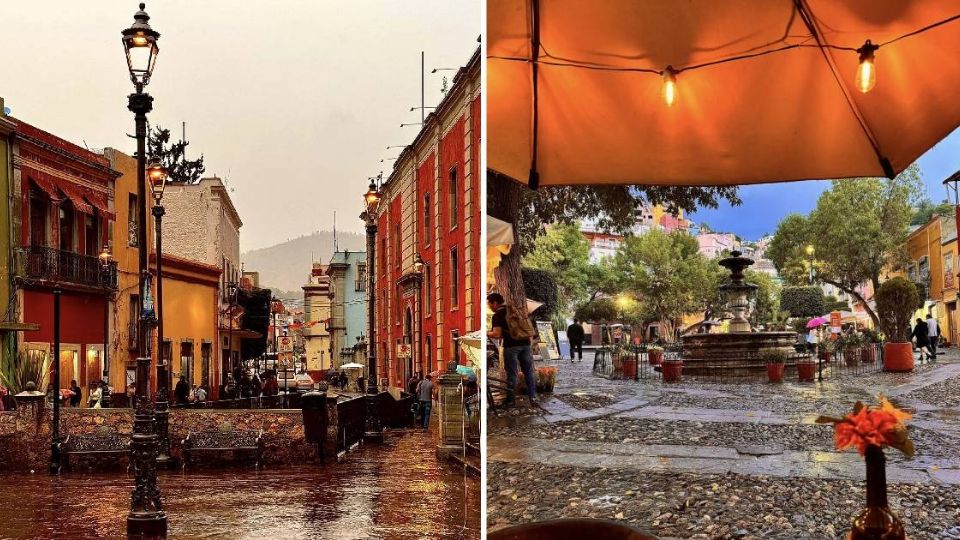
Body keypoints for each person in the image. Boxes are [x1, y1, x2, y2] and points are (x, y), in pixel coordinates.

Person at [487, 292, 537, 406]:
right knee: (528, 372)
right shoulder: (515, 310)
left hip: (511, 346)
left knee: (512, 374)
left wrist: (485, 333)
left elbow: (496, 334)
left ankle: (510, 400)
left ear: (495, 303)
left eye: (489, 304)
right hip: (525, 344)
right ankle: (533, 397)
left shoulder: (498, 315)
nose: (489, 307)